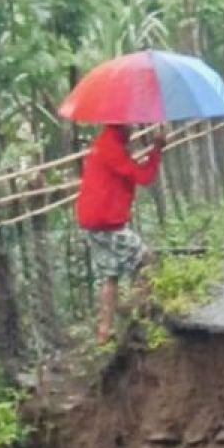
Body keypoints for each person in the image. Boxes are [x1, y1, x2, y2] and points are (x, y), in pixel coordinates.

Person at [75, 124, 165, 345]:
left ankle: (104, 332)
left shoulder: (105, 143)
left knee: (110, 275)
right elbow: (142, 177)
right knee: (147, 260)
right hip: (107, 223)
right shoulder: (111, 148)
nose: (132, 129)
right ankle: (142, 315)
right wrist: (157, 149)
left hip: (92, 221)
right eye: (129, 125)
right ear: (120, 125)